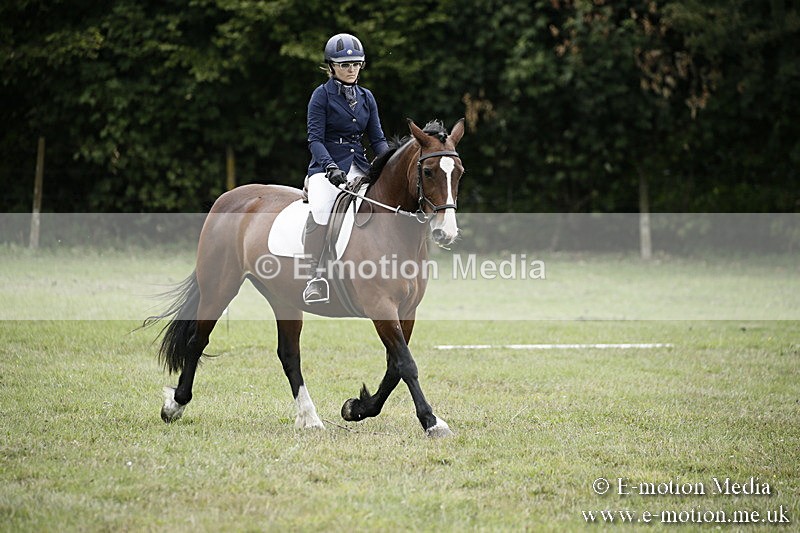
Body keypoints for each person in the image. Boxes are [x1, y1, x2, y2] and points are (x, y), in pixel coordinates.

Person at [302, 33, 390, 304]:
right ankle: (315, 276)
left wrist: (388, 164)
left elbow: (377, 138)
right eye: (345, 65)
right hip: (326, 167)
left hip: (360, 167)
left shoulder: (367, 97)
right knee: (321, 209)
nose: (351, 69)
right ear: (331, 67)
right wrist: (329, 167)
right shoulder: (321, 96)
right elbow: (315, 139)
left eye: (356, 64)